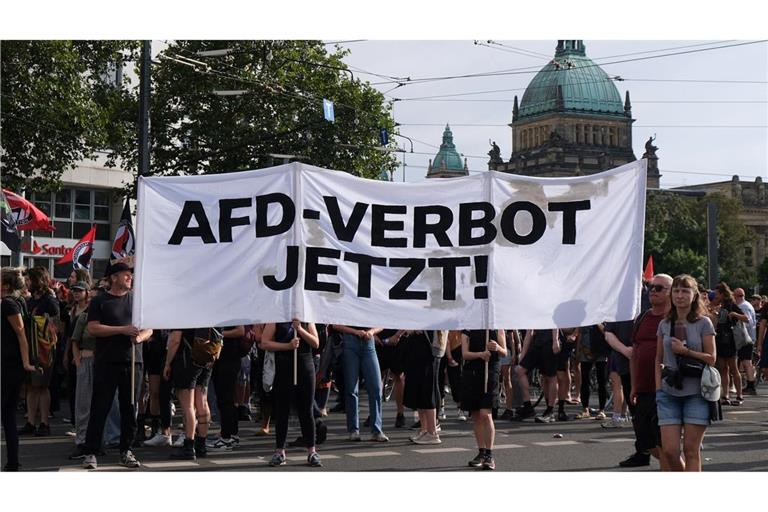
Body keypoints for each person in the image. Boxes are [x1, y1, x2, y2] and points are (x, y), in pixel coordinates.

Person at [81, 261, 152, 470]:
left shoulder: (137, 301)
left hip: (133, 361)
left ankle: (126, 450)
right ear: (113, 278)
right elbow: (93, 328)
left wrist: (140, 338)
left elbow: (150, 328)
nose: (129, 277)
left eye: (130, 275)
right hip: (106, 360)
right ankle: (91, 451)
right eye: (125, 275)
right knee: (100, 406)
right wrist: (122, 330)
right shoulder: (100, 301)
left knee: (130, 407)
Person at [655, 274, 716, 472]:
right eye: (676, 291)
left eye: (685, 291)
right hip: (668, 392)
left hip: (696, 392)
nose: (680, 295)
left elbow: (711, 358)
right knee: (670, 451)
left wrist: (686, 352)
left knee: (691, 450)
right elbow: (658, 359)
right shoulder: (664, 324)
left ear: (694, 295)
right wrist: (658, 389)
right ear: (671, 295)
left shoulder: (703, 323)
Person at [619, 273, 672, 468]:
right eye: (651, 287)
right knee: (646, 442)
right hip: (643, 388)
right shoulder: (643, 317)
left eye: (659, 288)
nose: (653, 291)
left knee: (665, 445)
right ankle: (677, 468)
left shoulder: (675, 318)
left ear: (670, 292)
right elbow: (635, 352)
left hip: (666, 388)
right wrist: (634, 386)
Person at [260, 320, 322, 467]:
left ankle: (312, 451)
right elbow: (264, 342)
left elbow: (315, 343)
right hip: (283, 366)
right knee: (282, 410)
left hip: (305, 365)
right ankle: (280, 452)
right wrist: (287, 346)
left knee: (306, 410)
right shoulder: (277, 318)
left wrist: (300, 329)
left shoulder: (307, 319)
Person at [2, 267, 36, 471]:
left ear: (5, 285)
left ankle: (13, 462)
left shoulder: (8, 304)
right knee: (7, 416)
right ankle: (12, 462)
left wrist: (25, 362)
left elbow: (21, 334)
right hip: (10, 366)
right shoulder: (15, 302)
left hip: (9, 367)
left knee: (7, 415)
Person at [20, 266, 59, 437]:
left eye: (29, 280)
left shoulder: (49, 300)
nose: (26, 283)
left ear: (37, 280)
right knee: (30, 387)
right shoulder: (30, 300)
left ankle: (44, 423)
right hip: (30, 348)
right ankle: (30, 422)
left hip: (44, 349)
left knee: (42, 386)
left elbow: (56, 324)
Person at [332, 324, 389, 442]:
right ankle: (353, 430)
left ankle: (377, 430)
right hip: (350, 342)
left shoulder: (371, 304)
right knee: (352, 389)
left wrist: (372, 331)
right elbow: (336, 325)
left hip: (369, 343)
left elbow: (381, 323)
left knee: (376, 387)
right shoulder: (346, 304)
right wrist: (354, 331)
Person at [461, 329, 507, 470]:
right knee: (476, 415)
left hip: (491, 372)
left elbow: (505, 352)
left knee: (485, 414)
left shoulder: (497, 327)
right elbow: (465, 354)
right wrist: (481, 354)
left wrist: (497, 347)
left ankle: (489, 454)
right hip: (472, 373)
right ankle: (481, 452)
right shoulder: (467, 328)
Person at [67, 281, 97, 460]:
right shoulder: (84, 317)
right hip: (85, 361)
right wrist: (78, 361)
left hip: (102, 363)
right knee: (83, 405)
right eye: (91, 298)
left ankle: (97, 441)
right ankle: (82, 442)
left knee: (99, 405)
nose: (93, 301)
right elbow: (74, 341)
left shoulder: (105, 317)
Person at [206, 325, 246, 451]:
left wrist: (219, 334)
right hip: (223, 357)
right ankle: (231, 433)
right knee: (225, 398)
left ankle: (226, 438)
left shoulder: (232, 312)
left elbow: (240, 331)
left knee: (226, 398)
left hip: (229, 358)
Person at [403, 330, 446, 445]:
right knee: (419, 390)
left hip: (428, 348)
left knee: (428, 390)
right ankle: (424, 429)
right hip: (419, 347)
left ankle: (432, 432)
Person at [710, 283, 748, 406]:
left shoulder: (731, 305)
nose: (716, 296)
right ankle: (725, 395)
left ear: (722, 293)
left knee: (733, 368)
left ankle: (739, 395)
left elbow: (746, 318)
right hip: (720, 339)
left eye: (717, 294)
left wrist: (734, 314)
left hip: (730, 340)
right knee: (723, 369)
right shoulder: (719, 306)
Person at [514, 329, 559, 422]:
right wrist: (522, 355)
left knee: (550, 376)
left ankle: (550, 411)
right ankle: (528, 407)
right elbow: (529, 332)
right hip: (537, 343)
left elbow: (555, 323)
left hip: (549, 342)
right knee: (519, 370)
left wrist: (555, 340)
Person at [574, 325, 609, 421]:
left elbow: (607, 331)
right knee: (585, 380)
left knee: (602, 381)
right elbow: (580, 333)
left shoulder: (603, 314)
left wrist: (598, 323)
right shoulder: (585, 317)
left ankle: (602, 410)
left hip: (601, 350)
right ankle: (585, 409)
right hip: (586, 350)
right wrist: (578, 350)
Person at [733, 288, 758, 395]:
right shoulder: (747, 305)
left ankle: (751, 385)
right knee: (746, 362)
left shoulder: (744, 306)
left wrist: (735, 316)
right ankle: (749, 385)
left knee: (747, 363)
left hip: (745, 339)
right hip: (747, 338)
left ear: (737, 296)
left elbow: (748, 321)